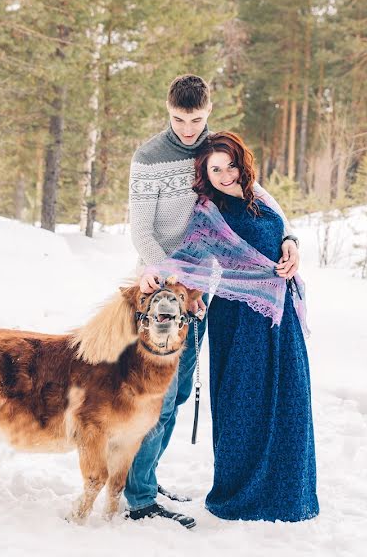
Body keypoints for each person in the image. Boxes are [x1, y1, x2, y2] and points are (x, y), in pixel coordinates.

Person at [126, 75, 299, 528]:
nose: (187, 128)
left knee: (180, 391)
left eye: (196, 119)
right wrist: (174, 283)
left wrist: (291, 238)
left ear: (209, 113)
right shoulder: (149, 157)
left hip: (205, 292)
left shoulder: (215, 154)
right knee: (157, 396)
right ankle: (139, 497)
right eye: (179, 119)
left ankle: (146, 476)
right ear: (168, 111)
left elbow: (262, 197)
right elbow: (142, 232)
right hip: (164, 286)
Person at [191, 131, 319, 522]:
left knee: (290, 400)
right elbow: (191, 256)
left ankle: (289, 496)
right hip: (238, 317)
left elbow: (283, 231)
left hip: (281, 316)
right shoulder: (207, 211)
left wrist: (291, 243)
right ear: (205, 173)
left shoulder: (259, 197)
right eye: (216, 169)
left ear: (241, 163)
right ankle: (239, 495)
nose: (225, 174)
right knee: (240, 403)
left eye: (230, 165)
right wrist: (182, 287)